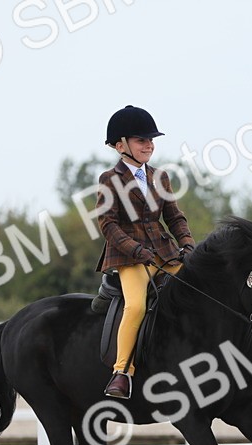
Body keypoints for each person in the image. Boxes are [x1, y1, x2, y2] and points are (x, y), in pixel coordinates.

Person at [95, 105, 195, 399]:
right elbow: (108, 224)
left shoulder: (160, 177)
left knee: (198, 289)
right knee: (136, 306)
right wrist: (135, 249)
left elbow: (174, 217)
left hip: (165, 251)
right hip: (129, 257)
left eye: (151, 140)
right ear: (120, 146)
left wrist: (188, 243)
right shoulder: (109, 179)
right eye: (141, 140)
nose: (149, 145)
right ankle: (122, 372)